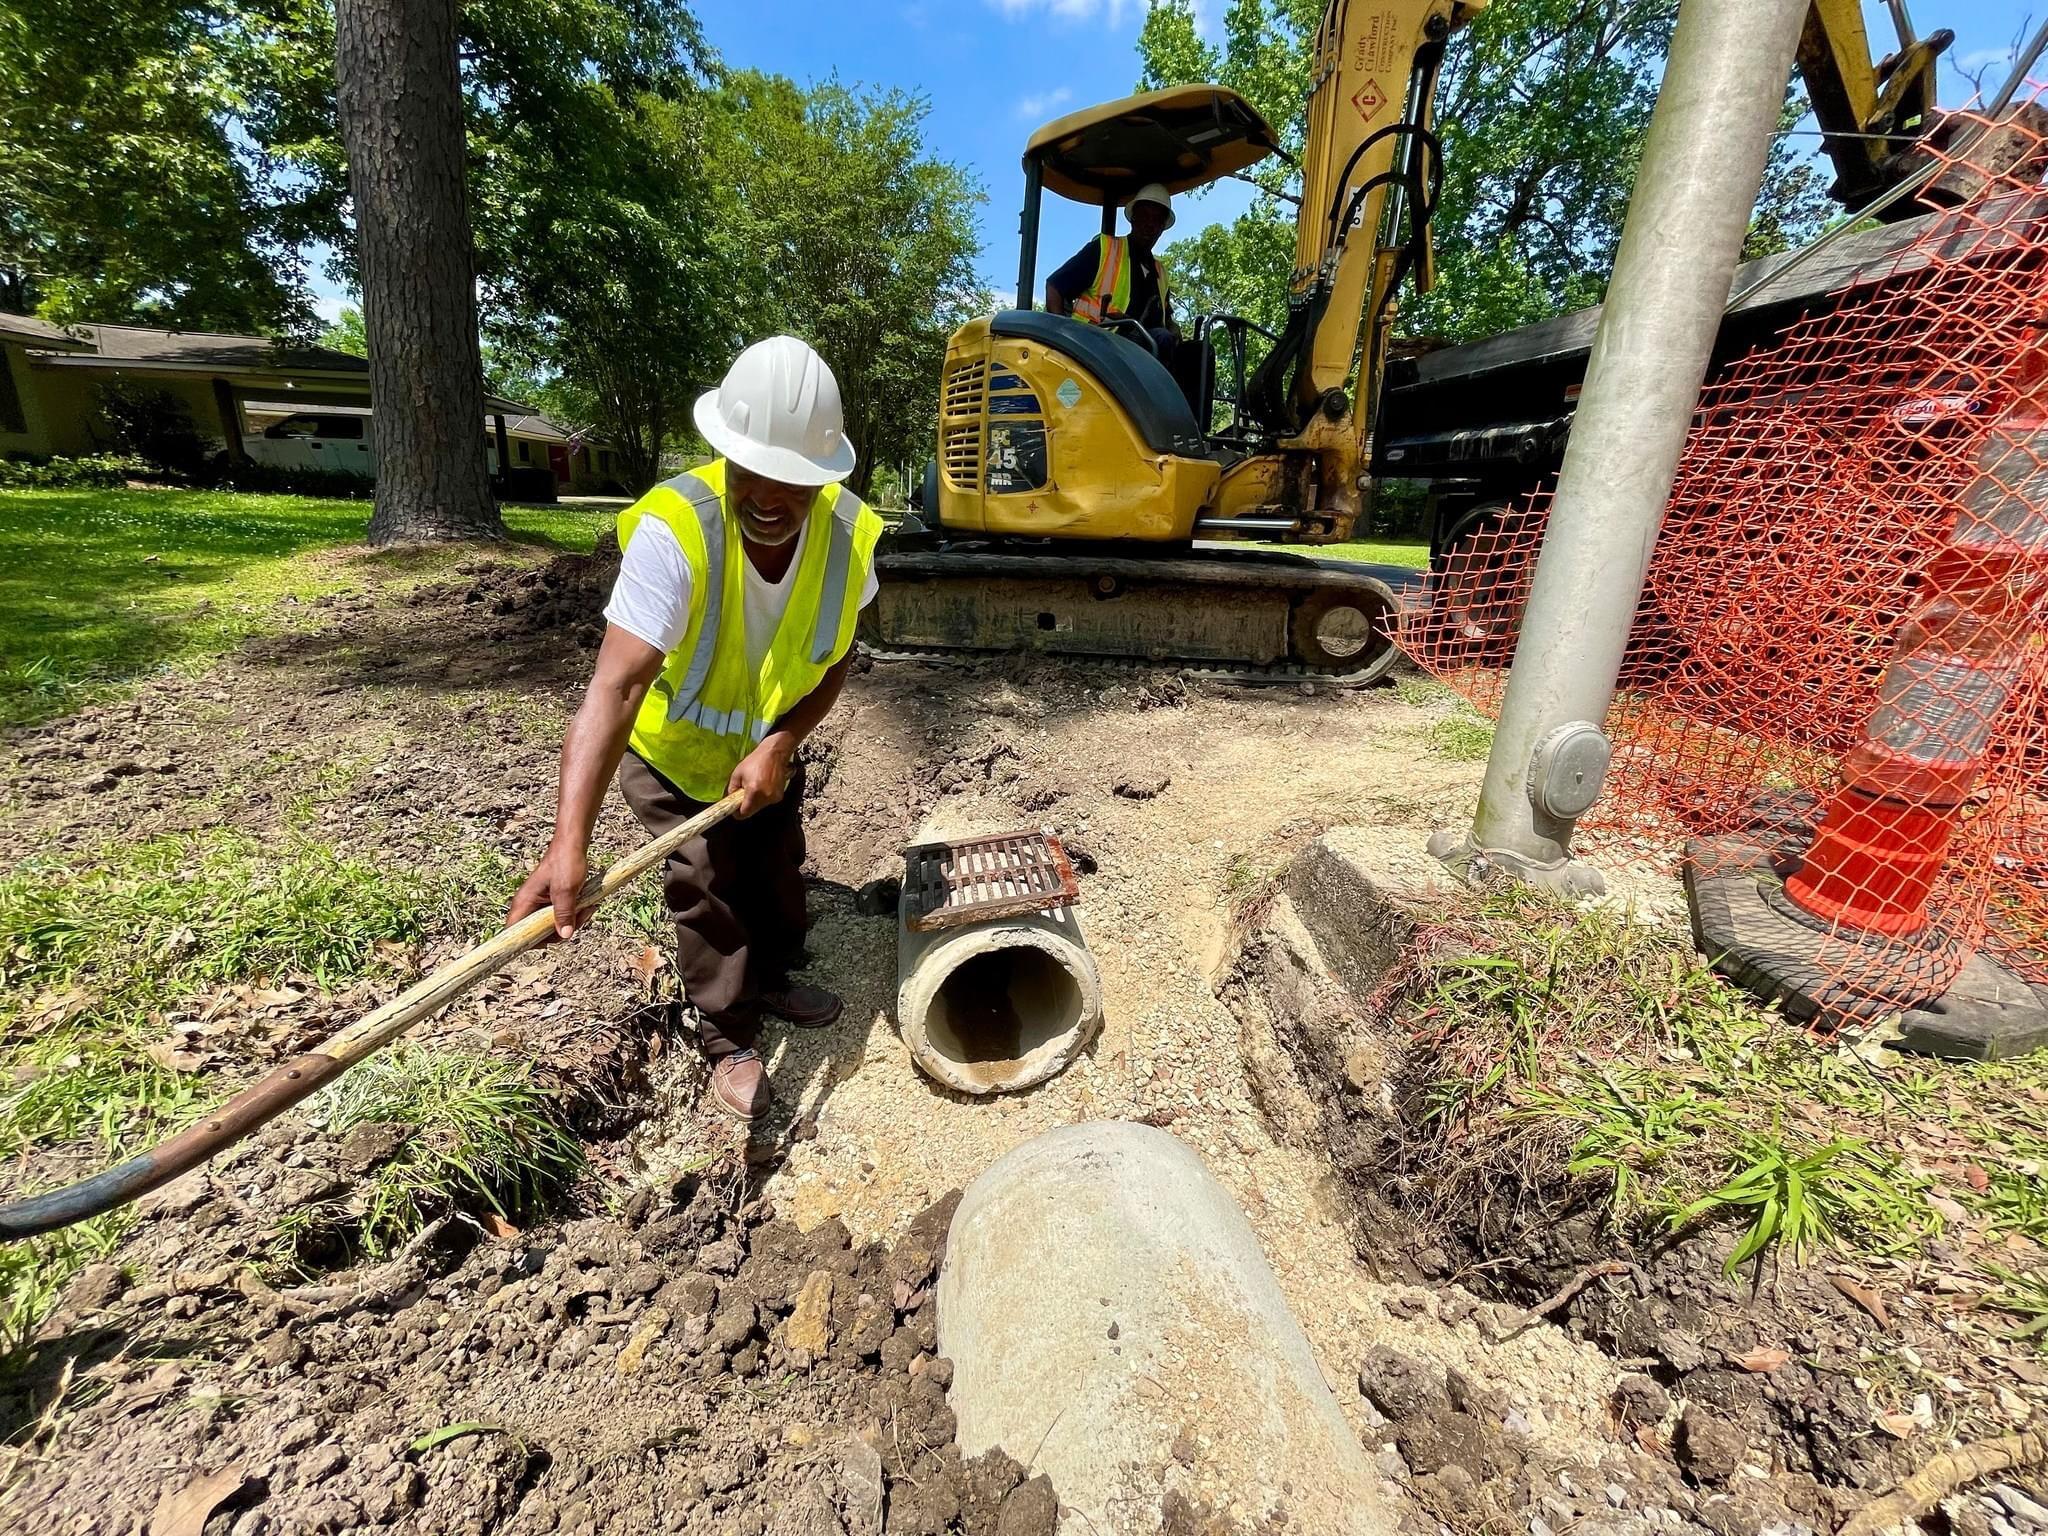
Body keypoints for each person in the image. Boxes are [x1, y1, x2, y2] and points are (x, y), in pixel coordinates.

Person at [507, 336, 884, 1121]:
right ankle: (726, 1033)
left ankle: (773, 976)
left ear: (825, 475)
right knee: (707, 883)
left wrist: (782, 742)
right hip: (674, 753)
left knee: (779, 873)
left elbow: (838, 658)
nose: (771, 495)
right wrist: (567, 844)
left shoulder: (851, 539)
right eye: (752, 470)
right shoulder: (677, 530)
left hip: (770, 746)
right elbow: (616, 688)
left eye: (795, 480)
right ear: (723, 454)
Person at [1045, 182, 1179, 351]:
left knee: (1196, 351)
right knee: (1160, 338)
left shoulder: (1160, 273)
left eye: (1156, 219)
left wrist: (1176, 331)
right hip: (1096, 346)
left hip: (1141, 351)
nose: (1149, 224)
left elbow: (1166, 320)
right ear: (1133, 218)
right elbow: (1054, 287)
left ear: (1162, 227)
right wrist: (1061, 342)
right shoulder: (1104, 250)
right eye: (1144, 216)